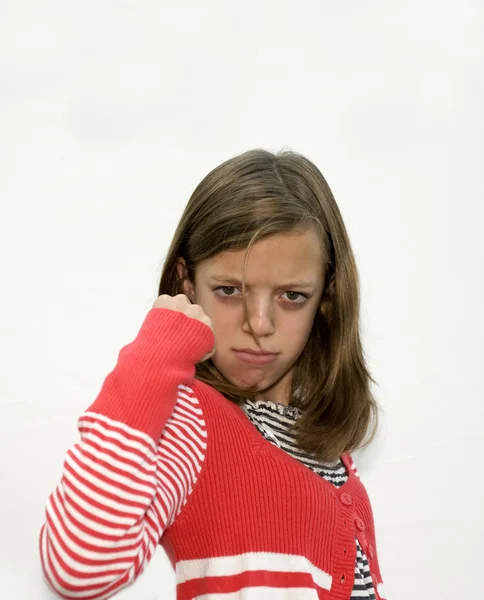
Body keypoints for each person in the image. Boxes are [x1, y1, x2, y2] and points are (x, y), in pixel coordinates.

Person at [39, 149, 386, 600]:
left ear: (327, 294)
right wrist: (155, 353)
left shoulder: (329, 454)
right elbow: (77, 565)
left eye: (292, 296)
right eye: (229, 290)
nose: (259, 324)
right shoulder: (192, 419)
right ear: (187, 283)